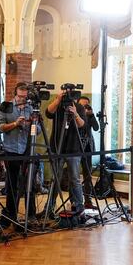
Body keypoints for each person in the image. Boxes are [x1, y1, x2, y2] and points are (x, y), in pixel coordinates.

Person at [0, 82, 40, 229]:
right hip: (11, 149)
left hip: (28, 150)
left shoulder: (32, 108)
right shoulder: (6, 107)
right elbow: (0, 127)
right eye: (20, 96)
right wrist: (15, 124)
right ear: (15, 94)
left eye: (25, 97)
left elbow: (39, 130)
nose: (22, 99)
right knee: (11, 184)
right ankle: (11, 216)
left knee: (30, 184)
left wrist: (30, 124)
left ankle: (31, 216)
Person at [45, 87, 87, 215]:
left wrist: (75, 114)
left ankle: (78, 206)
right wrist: (57, 100)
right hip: (57, 147)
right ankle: (49, 208)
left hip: (73, 148)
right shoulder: (57, 104)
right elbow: (48, 113)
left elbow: (82, 125)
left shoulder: (79, 107)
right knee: (55, 179)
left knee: (75, 179)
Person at [77, 96, 100, 209]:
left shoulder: (89, 116)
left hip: (88, 148)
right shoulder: (74, 115)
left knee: (88, 176)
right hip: (76, 147)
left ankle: (88, 200)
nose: (84, 107)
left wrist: (91, 115)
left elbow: (96, 128)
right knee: (75, 176)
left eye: (86, 105)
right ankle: (76, 201)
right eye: (82, 105)